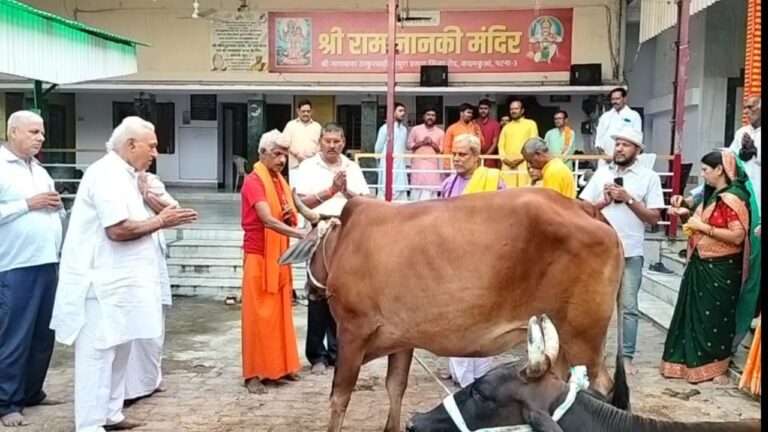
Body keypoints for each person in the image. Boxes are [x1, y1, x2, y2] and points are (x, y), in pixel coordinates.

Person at [50, 116, 198, 432]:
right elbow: (118, 229)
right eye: (152, 146)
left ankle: (112, 414)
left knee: (121, 350)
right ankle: (89, 424)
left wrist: (157, 211)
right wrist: (162, 221)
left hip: (123, 285)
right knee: (98, 355)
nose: (155, 153)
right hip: (99, 286)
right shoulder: (104, 174)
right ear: (130, 144)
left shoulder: (129, 175)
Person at [661, 150, 755, 384]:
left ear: (720, 170)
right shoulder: (715, 194)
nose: (702, 174)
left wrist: (703, 227)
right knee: (693, 315)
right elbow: (698, 224)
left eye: (705, 170)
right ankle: (685, 363)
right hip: (701, 264)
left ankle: (715, 367)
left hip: (721, 268)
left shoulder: (732, 197)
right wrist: (686, 214)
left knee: (715, 318)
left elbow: (736, 236)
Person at [579, 126, 665, 375]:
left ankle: (626, 357)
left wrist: (628, 199)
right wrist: (604, 202)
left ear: (637, 150)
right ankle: (595, 358)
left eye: (625, 144)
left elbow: (652, 218)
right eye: (617, 144)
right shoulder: (602, 173)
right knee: (594, 308)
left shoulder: (649, 177)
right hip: (598, 254)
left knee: (628, 308)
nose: (619, 148)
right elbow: (583, 209)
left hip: (630, 252)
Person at [0, 111, 64, 427]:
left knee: (43, 334)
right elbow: (27, 205)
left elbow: (47, 206)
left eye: (42, 132)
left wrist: (54, 206)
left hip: (47, 260)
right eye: (33, 131)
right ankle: (7, 402)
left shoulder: (38, 168)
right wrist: (28, 204)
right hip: (15, 265)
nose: (40, 137)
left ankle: (32, 391)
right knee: (15, 335)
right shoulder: (1, 167)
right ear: (13, 132)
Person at [293, 123, 371, 374]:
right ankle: (317, 355)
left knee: (343, 293)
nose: (332, 145)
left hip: (348, 233)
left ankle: (339, 352)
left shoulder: (352, 168)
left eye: (337, 141)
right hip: (320, 228)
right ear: (320, 142)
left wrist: (345, 190)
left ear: (344, 143)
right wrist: (330, 191)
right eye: (327, 141)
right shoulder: (306, 167)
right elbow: (299, 201)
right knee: (317, 292)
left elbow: (366, 201)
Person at [240, 129, 308, 394]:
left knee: (280, 313)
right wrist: (300, 233)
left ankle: (280, 367)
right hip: (258, 256)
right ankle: (253, 374)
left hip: (279, 256)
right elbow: (267, 219)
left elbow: (289, 211)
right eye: (277, 153)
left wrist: (293, 215)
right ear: (262, 154)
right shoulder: (254, 181)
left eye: (284, 154)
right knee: (257, 316)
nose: (281, 159)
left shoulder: (279, 181)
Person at [440, 133, 504, 388]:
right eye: (454, 154)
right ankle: (463, 380)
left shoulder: (492, 180)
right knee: (457, 320)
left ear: (476, 157)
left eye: (462, 154)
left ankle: (482, 379)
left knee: (483, 321)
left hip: (485, 263)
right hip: (454, 263)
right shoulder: (448, 184)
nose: (456, 158)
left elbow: (504, 218)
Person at [123, 172, 179, 403]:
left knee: (153, 322)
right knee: (129, 325)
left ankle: (150, 379)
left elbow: (173, 211)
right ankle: (127, 388)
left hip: (153, 258)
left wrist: (146, 194)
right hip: (127, 262)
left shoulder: (150, 180)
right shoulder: (112, 181)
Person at [407, 108, 444, 201]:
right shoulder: (416, 129)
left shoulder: (440, 132)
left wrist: (431, 143)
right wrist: (422, 142)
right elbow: (409, 145)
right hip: (418, 166)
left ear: (435, 118)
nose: (430, 117)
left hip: (432, 166)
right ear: (424, 117)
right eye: (428, 115)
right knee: (416, 192)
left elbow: (441, 149)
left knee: (430, 192)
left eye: (433, 115)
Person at [498, 100, 538, 187]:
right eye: (511, 109)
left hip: (524, 162)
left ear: (522, 110)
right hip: (507, 164)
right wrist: (504, 159)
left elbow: (533, 143)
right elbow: (501, 145)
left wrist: (521, 158)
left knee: (524, 190)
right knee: (507, 190)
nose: (513, 111)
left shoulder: (531, 124)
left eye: (516, 108)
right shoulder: (506, 127)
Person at [374, 102, 409, 201]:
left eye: (404, 111)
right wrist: (380, 160)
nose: (403, 113)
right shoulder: (385, 128)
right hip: (387, 163)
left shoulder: (404, 130)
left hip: (400, 164)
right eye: (400, 111)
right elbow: (378, 148)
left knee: (401, 191)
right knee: (387, 189)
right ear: (392, 112)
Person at [594, 88, 642, 159]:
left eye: (617, 98)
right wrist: (603, 155)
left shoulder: (634, 115)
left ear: (624, 99)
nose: (615, 101)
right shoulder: (605, 116)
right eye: (613, 99)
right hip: (605, 158)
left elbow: (637, 139)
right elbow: (598, 138)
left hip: (625, 159)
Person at [283, 99, 322, 181]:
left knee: (312, 188)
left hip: (313, 165)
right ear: (298, 111)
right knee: (295, 189)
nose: (306, 114)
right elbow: (285, 143)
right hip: (295, 165)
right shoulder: (290, 125)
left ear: (311, 111)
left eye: (308, 111)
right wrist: (297, 155)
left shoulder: (317, 126)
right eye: (303, 111)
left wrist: (313, 154)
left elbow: (322, 144)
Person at [443, 103, 484, 171]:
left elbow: (482, 146)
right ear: (461, 113)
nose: (470, 115)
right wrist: (447, 165)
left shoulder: (476, 127)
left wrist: (478, 134)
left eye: (471, 113)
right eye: (468, 112)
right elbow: (447, 147)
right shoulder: (452, 128)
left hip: (472, 163)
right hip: (456, 163)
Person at [476, 99, 501, 168]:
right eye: (481, 108)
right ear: (478, 109)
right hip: (475, 159)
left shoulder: (495, 124)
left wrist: (484, 157)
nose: (483, 111)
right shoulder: (474, 123)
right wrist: (479, 156)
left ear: (489, 109)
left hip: (490, 160)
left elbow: (494, 144)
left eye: (485, 108)